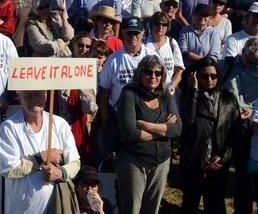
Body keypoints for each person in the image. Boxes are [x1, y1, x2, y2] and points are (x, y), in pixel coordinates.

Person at [0, 90, 81, 213]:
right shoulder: (10, 127)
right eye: (29, 93)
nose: (34, 98)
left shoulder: (59, 124)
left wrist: (60, 173)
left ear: (46, 93)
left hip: (57, 208)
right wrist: (41, 157)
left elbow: (75, 163)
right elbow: (8, 170)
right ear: (19, 94)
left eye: (39, 93)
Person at [117, 55, 181, 214]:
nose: (153, 76)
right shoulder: (129, 93)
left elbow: (178, 129)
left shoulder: (165, 94)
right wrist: (164, 129)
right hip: (134, 162)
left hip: (162, 162)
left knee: (152, 209)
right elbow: (130, 134)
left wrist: (147, 126)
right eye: (148, 72)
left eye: (158, 73)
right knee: (131, 208)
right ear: (140, 73)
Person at [180, 57, 240, 214]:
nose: (209, 80)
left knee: (215, 204)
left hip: (218, 161)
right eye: (204, 76)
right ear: (196, 77)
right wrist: (193, 91)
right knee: (190, 203)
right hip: (193, 161)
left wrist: (223, 156)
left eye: (213, 76)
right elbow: (186, 122)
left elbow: (235, 133)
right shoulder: (188, 97)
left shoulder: (229, 100)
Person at [220, 38, 258, 214]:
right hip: (224, 125)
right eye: (251, 62)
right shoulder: (225, 66)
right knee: (219, 172)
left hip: (246, 128)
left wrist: (253, 110)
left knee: (243, 176)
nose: (253, 65)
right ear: (243, 53)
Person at [98, 17, 157, 123]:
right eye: (129, 33)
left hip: (147, 114)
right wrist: (105, 119)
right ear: (122, 33)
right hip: (118, 114)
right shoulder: (113, 60)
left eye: (136, 33)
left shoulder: (152, 56)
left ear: (143, 33)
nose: (133, 36)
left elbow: (163, 88)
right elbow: (104, 93)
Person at [179, 3, 221, 68]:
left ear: (209, 17)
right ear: (194, 15)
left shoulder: (214, 33)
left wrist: (203, 62)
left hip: (206, 69)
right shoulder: (185, 31)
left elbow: (214, 55)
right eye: (200, 14)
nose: (202, 17)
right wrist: (203, 60)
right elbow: (183, 51)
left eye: (205, 15)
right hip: (187, 68)